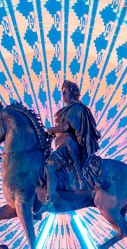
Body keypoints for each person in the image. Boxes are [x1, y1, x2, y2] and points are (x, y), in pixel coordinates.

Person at [40, 80, 101, 213]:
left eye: (65, 92)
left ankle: (50, 200)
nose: (63, 95)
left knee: (49, 165)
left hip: (69, 146)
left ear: (73, 93)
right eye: (62, 92)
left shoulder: (76, 108)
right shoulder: (70, 109)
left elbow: (66, 126)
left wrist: (51, 129)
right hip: (62, 145)